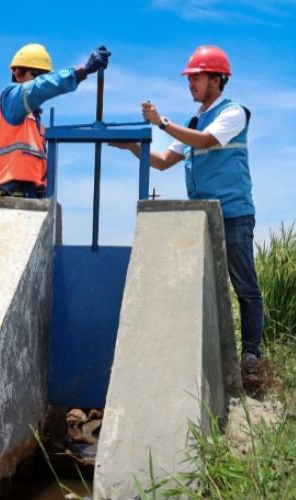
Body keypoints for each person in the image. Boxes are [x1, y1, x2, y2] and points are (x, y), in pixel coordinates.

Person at [109, 45, 264, 375]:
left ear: (217, 79)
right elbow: (164, 162)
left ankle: (252, 357)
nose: (191, 83)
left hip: (234, 213)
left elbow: (205, 141)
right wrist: (132, 147)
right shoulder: (194, 121)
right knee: (205, 282)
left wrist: (161, 122)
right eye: (189, 78)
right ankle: (214, 357)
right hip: (203, 214)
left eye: (197, 77)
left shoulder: (234, 113)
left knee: (244, 286)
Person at [0, 43, 111, 198]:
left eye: (45, 76)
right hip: (8, 190)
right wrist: (82, 71)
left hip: (31, 191)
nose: (41, 80)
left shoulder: (34, 119)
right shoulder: (10, 98)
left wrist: (42, 187)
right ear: (18, 74)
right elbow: (40, 88)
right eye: (36, 75)